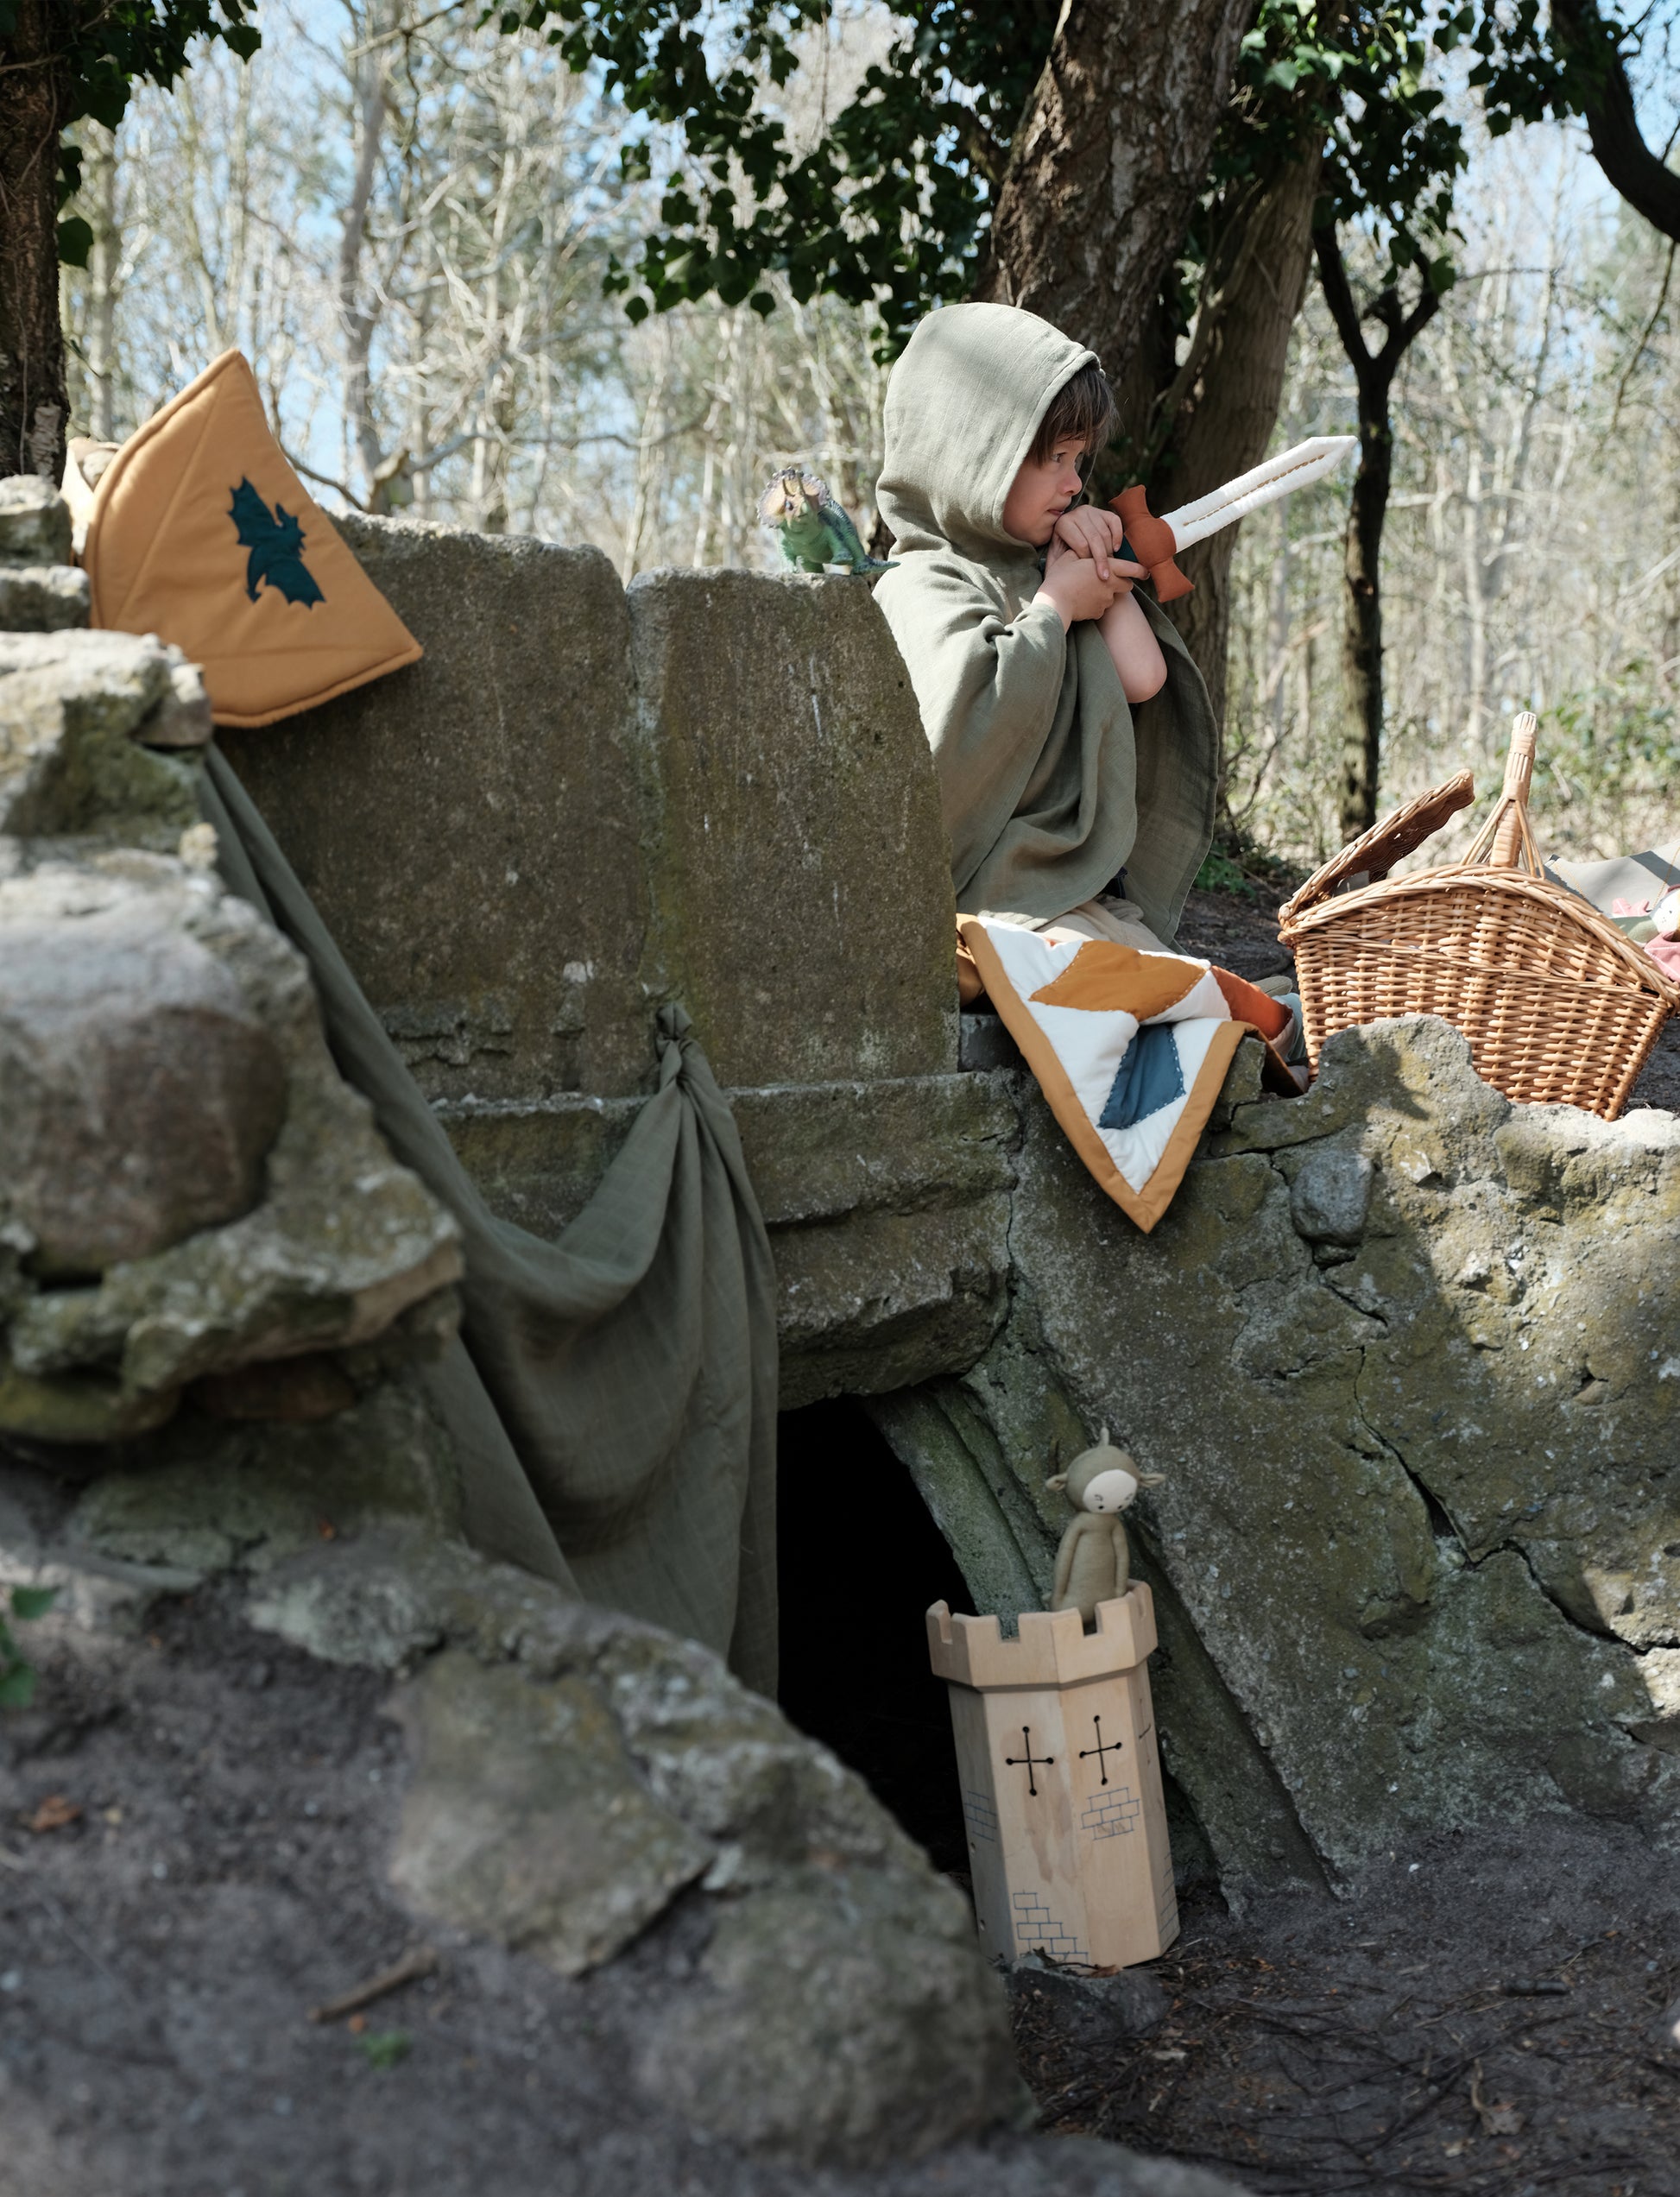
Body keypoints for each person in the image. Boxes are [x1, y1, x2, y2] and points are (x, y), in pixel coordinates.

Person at [872, 302, 1219, 953]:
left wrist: (1090, 572)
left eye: (1080, 459)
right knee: (1141, 1001)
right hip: (997, 898)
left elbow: (1143, 679)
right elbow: (965, 737)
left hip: (1075, 889)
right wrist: (1055, 608)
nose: (1072, 483)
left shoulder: (1045, 568)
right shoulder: (923, 582)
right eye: (1052, 457)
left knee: (1210, 1007)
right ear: (971, 453)